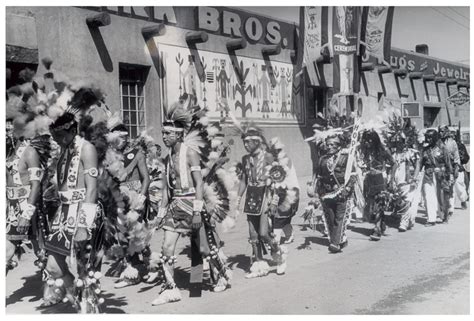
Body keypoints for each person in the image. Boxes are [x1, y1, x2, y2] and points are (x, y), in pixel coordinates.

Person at [151, 101, 234, 306]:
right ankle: (171, 289)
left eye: (168, 133)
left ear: (179, 134)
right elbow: (166, 189)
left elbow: (199, 184)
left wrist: (197, 212)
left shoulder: (190, 152)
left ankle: (221, 275)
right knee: (167, 247)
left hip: (191, 204)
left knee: (205, 248)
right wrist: (160, 215)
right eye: (163, 133)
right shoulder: (169, 156)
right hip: (175, 205)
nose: (164, 137)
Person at [41, 84, 104, 313]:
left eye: (58, 136)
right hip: (63, 213)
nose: (55, 140)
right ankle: (77, 300)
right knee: (54, 267)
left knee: (85, 271)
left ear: (70, 130)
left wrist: (84, 225)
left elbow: (92, 189)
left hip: (82, 212)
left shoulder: (87, 149)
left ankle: (88, 310)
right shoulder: (65, 150)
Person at [6, 84, 50, 275]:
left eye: (9, 125)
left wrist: (26, 213)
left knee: (41, 250)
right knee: (7, 251)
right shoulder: (7, 153)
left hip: (29, 209)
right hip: (11, 210)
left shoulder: (29, 151)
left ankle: (58, 288)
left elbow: (36, 184)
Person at [235, 123, 289, 277]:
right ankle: (259, 264)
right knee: (253, 234)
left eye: (248, 142)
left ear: (257, 142)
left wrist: (274, 202)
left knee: (264, 233)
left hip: (266, 195)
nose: (245, 145)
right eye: (244, 142)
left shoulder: (268, 156)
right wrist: (238, 199)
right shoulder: (245, 159)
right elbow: (244, 181)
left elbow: (278, 180)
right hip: (252, 197)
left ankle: (279, 256)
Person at [105, 116, 151, 289]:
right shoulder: (109, 157)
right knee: (123, 235)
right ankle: (136, 268)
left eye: (124, 137)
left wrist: (142, 197)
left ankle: (148, 265)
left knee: (136, 233)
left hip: (136, 197)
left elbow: (146, 177)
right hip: (118, 199)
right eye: (119, 137)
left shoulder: (137, 153)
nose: (122, 140)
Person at [313, 135, 352, 253]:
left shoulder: (346, 158)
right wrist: (316, 191)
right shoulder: (322, 159)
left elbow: (353, 174)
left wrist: (348, 188)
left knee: (339, 218)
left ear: (338, 145)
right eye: (328, 144)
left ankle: (335, 244)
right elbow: (318, 175)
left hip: (341, 192)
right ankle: (341, 240)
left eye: (332, 144)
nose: (329, 147)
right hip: (326, 192)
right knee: (331, 218)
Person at [357, 129, 394, 241]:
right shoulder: (364, 151)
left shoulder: (383, 150)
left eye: (369, 140)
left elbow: (394, 163)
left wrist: (391, 178)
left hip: (380, 179)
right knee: (371, 205)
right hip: (369, 180)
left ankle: (377, 229)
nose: (367, 143)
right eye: (365, 140)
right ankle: (381, 223)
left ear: (375, 140)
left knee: (379, 203)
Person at [418, 129, 453, 225]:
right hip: (428, 176)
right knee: (428, 196)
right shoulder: (424, 150)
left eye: (430, 137)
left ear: (435, 137)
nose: (428, 139)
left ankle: (444, 216)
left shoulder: (443, 148)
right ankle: (431, 219)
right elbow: (420, 164)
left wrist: (450, 176)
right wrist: (416, 176)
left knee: (442, 197)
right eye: (427, 137)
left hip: (441, 176)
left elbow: (448, 163)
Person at [439, 126, 465, 217]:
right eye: (439, 131)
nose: (440, 133)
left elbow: (456, 156)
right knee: (441, 190)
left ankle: (450, 209)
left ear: (446, 132)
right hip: (441, 169)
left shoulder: (452, 142)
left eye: (442, 131)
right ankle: (443, 207)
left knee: (451, 188)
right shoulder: (438, 142)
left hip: (451, 168)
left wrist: (456, 168)